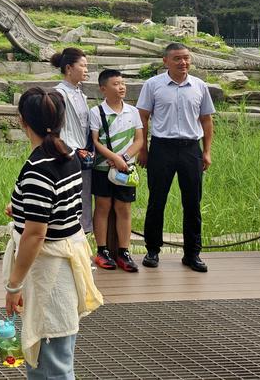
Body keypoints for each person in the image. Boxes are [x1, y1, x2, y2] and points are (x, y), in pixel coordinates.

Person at [5, 87, 103, 380]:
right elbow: (59, 208)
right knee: (55, 359)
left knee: (51, 366)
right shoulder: (69, 155)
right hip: (66, 264)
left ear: (23, 121)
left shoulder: (37, 167)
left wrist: (13, 286)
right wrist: (22, 209)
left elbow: (35, 235)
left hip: (48, 275)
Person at [137, 43, 215, 273]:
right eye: (178, 59)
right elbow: (142, 117)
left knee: (192, 202)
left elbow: (207, 121)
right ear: (166, 61)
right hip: (162, 147)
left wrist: (207, 151)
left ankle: (192, 254)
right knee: (156, 200)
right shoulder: (153, 85)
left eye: (186, 58)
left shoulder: (199, 86)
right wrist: (143, 149)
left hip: (191, 148)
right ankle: (152, 250)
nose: (183, 63)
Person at [89, 69, 144, 272]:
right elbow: (95, 141)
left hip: (126, 168)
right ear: (103, 89)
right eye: (115, 84)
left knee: (124, 209)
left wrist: (124, 158)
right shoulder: (96, 112)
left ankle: (123, 251)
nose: (121, 87)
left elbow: (139, 139)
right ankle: (102, 250)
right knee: (102, 207)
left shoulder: (133, 111)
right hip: (102, 168)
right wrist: (113, 158)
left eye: (122, 83)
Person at [51, 47, 94, 233]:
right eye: (82, 66)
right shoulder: (58, 94)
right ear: (69, 68)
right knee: (68, 200)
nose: (86, 70)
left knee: (83, 200)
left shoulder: (80, 94)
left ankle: (81, 246)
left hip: (82, 155)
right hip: (68, 155)